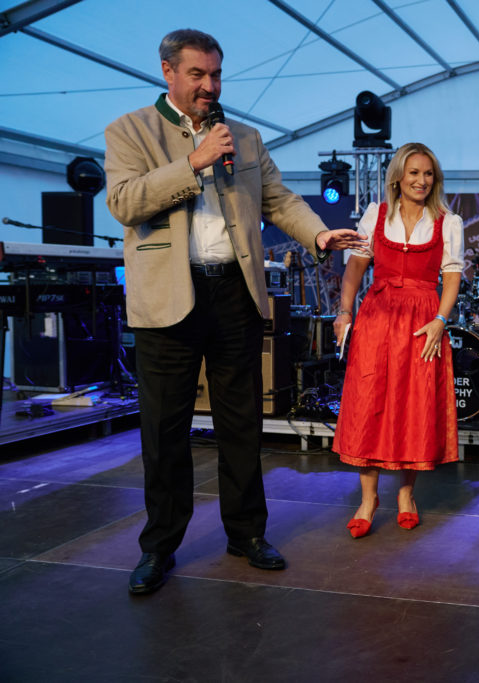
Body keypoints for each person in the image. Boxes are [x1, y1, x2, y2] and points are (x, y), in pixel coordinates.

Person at [104, 29, 365, 596]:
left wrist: (319, 236)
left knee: (242, 422)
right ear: (168, 71)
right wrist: (192, 163)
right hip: (166, 297)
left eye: (216, 75)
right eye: (197, 74)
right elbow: (124, 202)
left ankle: (246, 534)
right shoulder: (130, 131)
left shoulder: (242, 136)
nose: (209, 85)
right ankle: (159, 547)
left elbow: (278, 200)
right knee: (165, 431)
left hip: (233, 294)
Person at [332, 142, 464, 538]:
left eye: (428, 174)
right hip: (378, 317)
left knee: (414, 406)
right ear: (398, 177)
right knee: (368, 404)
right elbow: (355, 270)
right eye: (414, 173)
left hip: (423, 321)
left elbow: (452, 277)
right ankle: (369, 499)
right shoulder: (377, 215)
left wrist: (441, 319)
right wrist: (344, 311)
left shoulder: (447, 221)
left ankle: (406, 494)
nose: (422, 181)